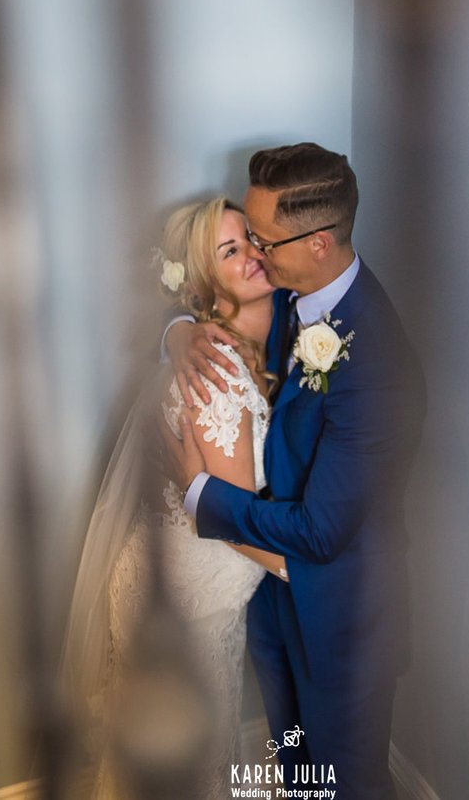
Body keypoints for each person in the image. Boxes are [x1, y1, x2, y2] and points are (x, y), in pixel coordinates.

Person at [164, 143, 426, 800]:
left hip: (341, 618)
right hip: (273, 603)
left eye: (263, 239)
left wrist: (202, 496)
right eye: (243, 237)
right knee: (298, 772)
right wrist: (176, 331)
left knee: (349, 783)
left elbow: (319, 532)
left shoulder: (377, 371)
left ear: (317, 243)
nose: (252, 251)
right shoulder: (287, 292)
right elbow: (208, 300)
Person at [61, 197, 287, 800]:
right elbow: (233, 521)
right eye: (230, 250)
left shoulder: (219, 343)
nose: (254, 255)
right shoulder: (221, 380)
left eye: (251, 239)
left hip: (177, 587)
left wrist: (177, 328)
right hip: (188, 607)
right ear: (203, 287)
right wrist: (306, 569)